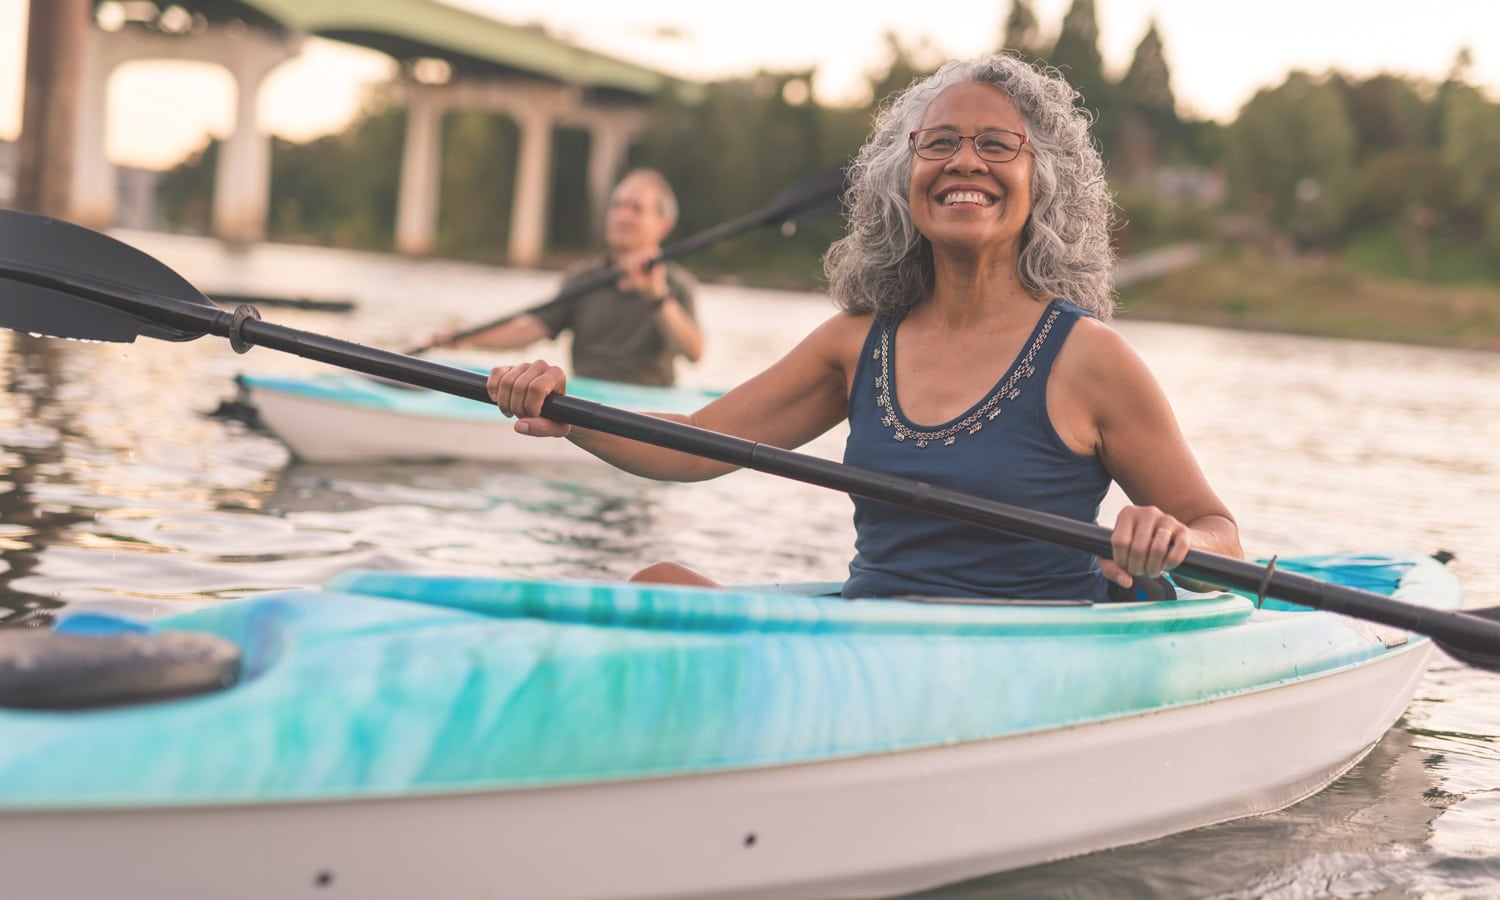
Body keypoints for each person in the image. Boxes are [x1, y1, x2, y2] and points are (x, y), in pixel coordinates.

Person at [486, 53, 1244, 602]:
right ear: (901, 176)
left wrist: (1173, 541)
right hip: (872, 645)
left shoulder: (1091, 358)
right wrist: (564, 409)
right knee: (656, 587)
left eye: (996, 144)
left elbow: (1219, 530)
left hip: (1022, 656)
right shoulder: (856, 343)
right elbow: (688, 444)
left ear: (1041, 180)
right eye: (939, 142)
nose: (964, 161)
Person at [445, 168, 704, 387]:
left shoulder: (677, 284)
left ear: (663, 225)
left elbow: (694, 352)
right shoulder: (583, 277)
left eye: (636, 209)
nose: (623, 216)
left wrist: (657, 297)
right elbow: (529, 330)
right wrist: (464, 337)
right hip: (588, 398)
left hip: (648, 406)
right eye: (617, 206)